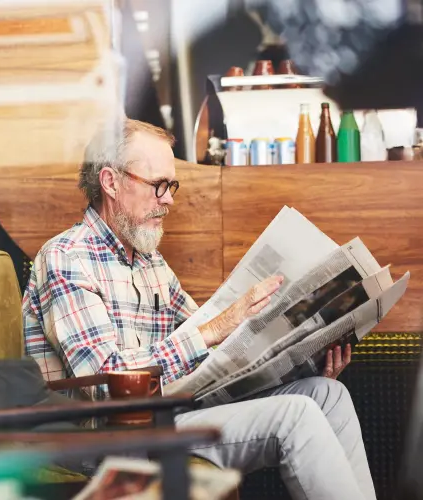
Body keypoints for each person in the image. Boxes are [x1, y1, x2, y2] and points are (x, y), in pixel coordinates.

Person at [22, 118, 374, 500]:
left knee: (326, 394)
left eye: (171, 186)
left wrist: (301, 356)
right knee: (296, 415)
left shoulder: (149, 262)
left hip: (168, 414)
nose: (169, 199)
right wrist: (213, 329)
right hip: (107, 436)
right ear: (111, 182)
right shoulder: (66, 258)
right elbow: (106, 388)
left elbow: (223, 357)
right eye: (158, 185)